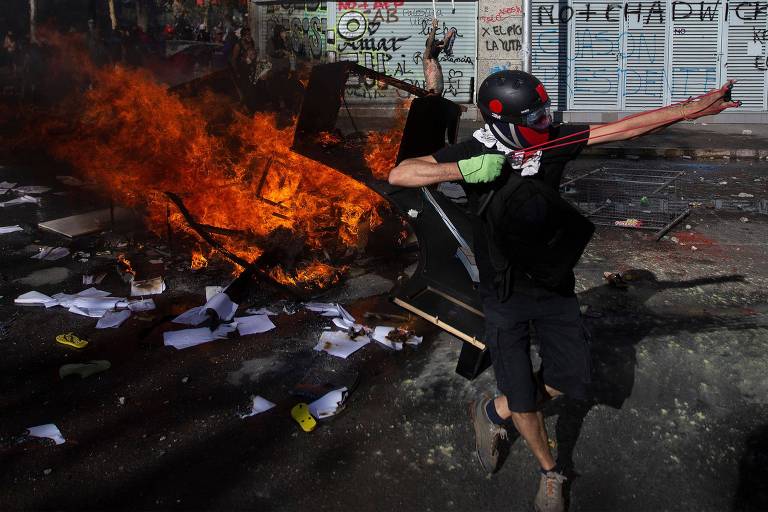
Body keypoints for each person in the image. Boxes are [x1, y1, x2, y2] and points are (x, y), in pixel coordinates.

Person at [387, 70, 739, 512]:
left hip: (553, 283)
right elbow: (400, 174)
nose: (545, 119)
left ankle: (494, 410)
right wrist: (460, 169)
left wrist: (695, 108)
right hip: (503, 293)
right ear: (504, 119)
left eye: (544, 109)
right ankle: (550, 471)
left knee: (567, 379)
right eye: (534, 114)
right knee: (523, 395)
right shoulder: (477, 148)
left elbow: (626, 126)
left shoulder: (550, 143)